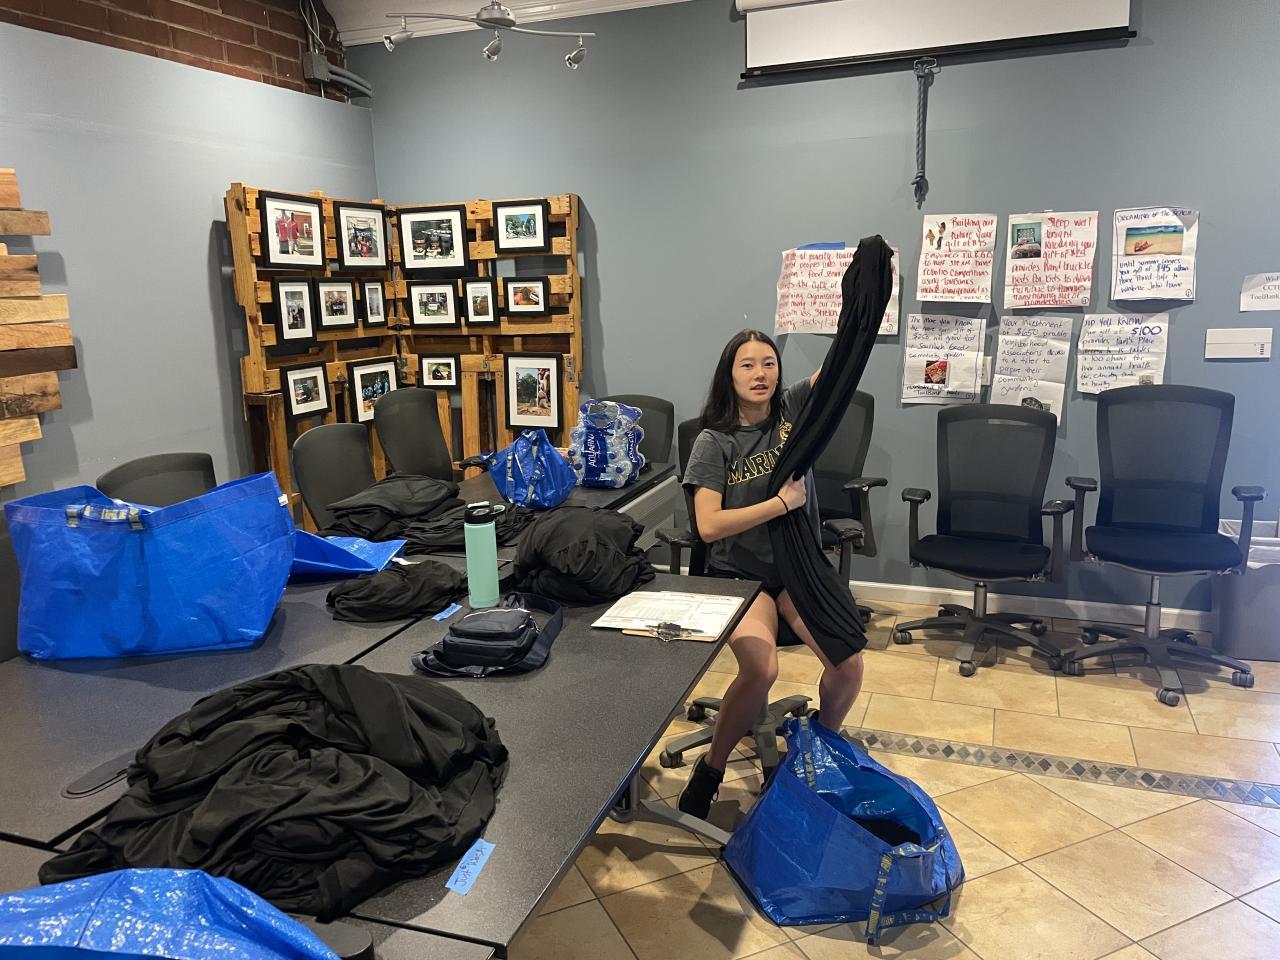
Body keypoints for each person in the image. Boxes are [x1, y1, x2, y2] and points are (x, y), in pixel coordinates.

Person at [678, 329, 865, 819]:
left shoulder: (793, 410)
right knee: (762, 670)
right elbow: (708, 525)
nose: (759, 374)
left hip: (796, 567)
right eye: (747, 365)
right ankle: (711, 768)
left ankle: (816, 754)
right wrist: (780, 504)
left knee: (848, 665)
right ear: (729, 375)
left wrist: (871, 298)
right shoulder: (713, 442)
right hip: (739, 574)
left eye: (768, 363)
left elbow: (842, 363)